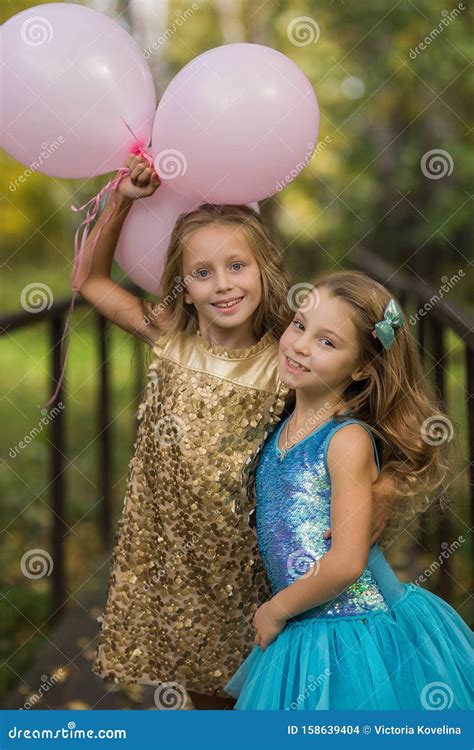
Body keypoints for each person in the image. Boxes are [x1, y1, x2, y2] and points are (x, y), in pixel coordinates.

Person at [75, 157, 394, 709]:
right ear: (184, 284)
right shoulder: (167, 335)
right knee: (204, 694)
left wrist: (379, 496)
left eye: (237, 266)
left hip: (249, 565)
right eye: (202, 273)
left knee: (256, 696)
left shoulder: (284, 359)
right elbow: (89, 280)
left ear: (263, 269)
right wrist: (123, 197)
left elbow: (358, 425)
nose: (222, 285)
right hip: (176, 561)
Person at [225, 272, 474, 710]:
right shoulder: (282, 426)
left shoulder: (345, 440)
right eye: (300, 325)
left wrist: (276, 609)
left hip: (357, 631)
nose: (300, 345)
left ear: (362, 367)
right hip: (307, 628)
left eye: (327, 342)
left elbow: (346, 562)